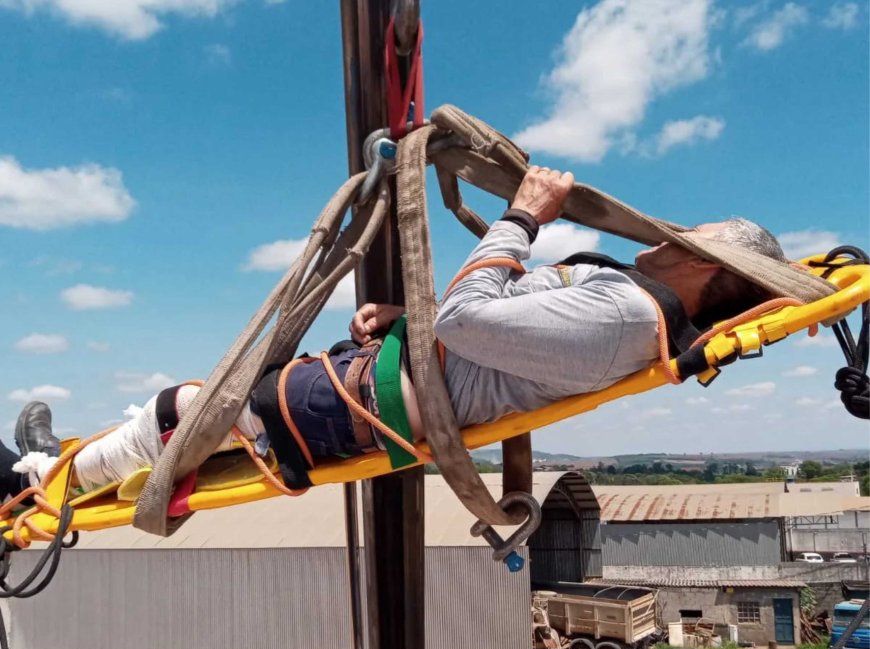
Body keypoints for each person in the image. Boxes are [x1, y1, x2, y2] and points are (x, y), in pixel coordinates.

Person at [6, 166, 785, 497]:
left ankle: (40, 481)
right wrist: (410, 321)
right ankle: (49, 461)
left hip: (368, 406)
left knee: (181, 410)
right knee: (183, 412)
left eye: (694, 237)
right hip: (385, 382)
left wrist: (520, 218)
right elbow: (495, 332)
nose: (672, 232)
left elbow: (471, 318)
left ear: (706, 270)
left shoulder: (623, 314)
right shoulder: (627, 303)